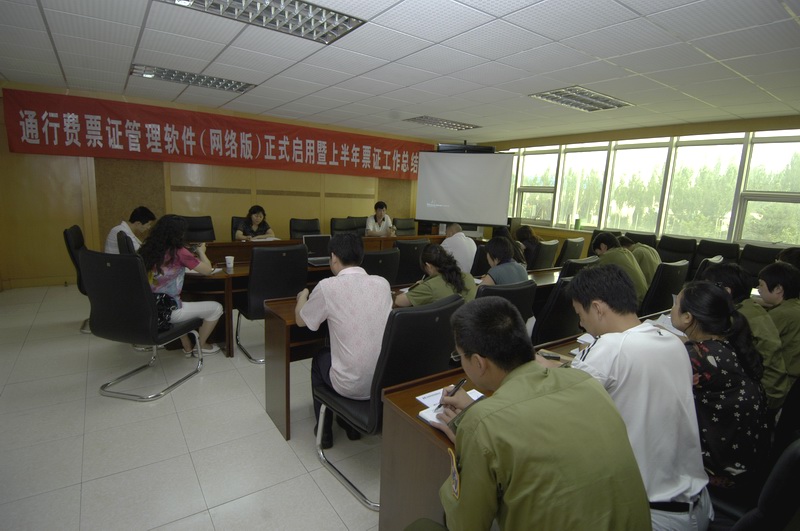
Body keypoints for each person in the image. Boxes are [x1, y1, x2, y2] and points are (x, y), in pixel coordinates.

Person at [416, 297, 651, 531]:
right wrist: (479, 420)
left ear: (478, 362)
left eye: (459, 356)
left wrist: (470, 441)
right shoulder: (586, 382)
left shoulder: (482, 425)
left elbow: (466, 525)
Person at [567, 264, 711, 531]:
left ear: (597, 308)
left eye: (580, 314)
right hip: (697, 505)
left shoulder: (609, 347)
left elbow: (557, 410)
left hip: (652, 515)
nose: (580, 323)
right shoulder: (672, 340)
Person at [670, 281, 769, 496]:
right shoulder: (727, 343)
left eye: (676, 304)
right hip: (745, 460)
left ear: (688, 317)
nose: (672, 308)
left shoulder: (695, 358)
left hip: (718, 473)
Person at [295, 232, 392, 449]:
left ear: (333, 257)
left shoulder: (328, 287)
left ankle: (324, 432)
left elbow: (301, 321)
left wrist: (302, 297)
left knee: (319, 358)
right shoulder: (382, 284)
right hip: (382, 381)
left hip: (351, 385)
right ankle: (350, 426)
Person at [700, 263, 788, 410]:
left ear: (726, 291)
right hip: (775, 386)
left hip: (763, 392)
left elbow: (710, 349)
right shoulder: (750, 306)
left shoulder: (737, 318)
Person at [138, 215, 223, 356]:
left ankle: (186, 343)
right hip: (168, 310)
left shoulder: (147, 249)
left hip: (148, 307)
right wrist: (201, 252)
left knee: (181, 301)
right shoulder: (178, 252)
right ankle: (201, 346)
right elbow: (208, 270)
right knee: (216, 308)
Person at [758, 261, 800, 396]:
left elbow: (756, 343)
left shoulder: (780, 314)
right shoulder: (793, 306)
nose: (758, 289)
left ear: (778, 289)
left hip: (784, 383)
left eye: (761, 284)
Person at [394, 244, 476, 307]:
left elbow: (398, 301)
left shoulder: (430, 286)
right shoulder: (468, 277)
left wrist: (418, 287)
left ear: (428, 266)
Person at [591, 232, 648, 304]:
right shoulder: (627, 252)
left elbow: (592, 276)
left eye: (598, 253)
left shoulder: (609, 255)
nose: (600, 256)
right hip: (643, 299)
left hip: (633, 302)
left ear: (603, 246)